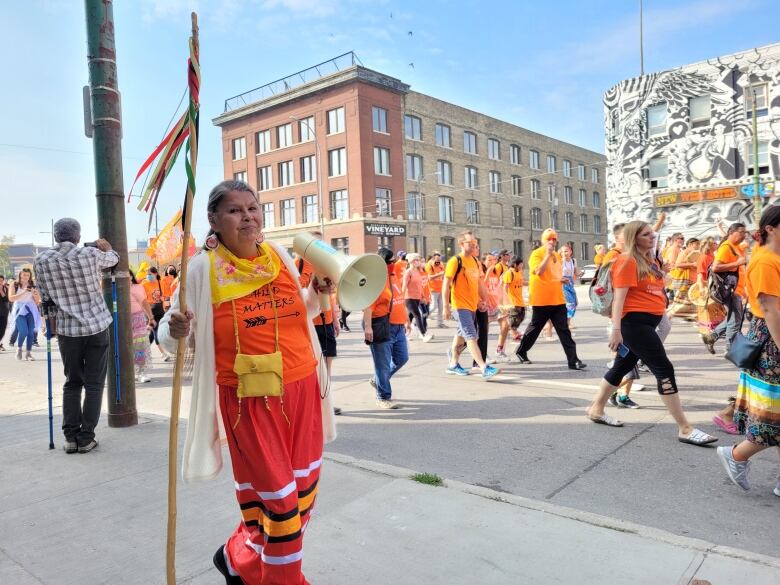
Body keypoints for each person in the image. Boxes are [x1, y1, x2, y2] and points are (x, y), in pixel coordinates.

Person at [157, 180, 335, 584]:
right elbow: (167, 340)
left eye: (253, 208)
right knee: (281, 509)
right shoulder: (201, 270)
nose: (248, 217)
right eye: (235, 210)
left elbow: (301, 312)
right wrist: (175, 328)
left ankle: (236, 558)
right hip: (249, 403)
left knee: (301, 501)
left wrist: (314, 290)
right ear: (214, 220)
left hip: (304, 390)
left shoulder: (277, 256)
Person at [585, 220, 718, 447]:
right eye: (646, 234)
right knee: (663, 368)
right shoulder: (626, 261)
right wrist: (616, 330)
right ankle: (685, 428)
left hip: (647, 322)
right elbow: (619, 299)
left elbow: (654, 287)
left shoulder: (648, 260)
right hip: (634, 325)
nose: (652, 236)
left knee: (621, 367)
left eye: (652, 233)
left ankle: (596, 409)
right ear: (634, 238)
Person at [33, 218, 119, 454]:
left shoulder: (41, 260)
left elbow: (46, 299)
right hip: (97, 327)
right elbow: (114, 259)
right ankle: (86, 437)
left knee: (72, 382)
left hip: (67, 331)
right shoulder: (90, 254)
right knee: (94, 384)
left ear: (55, 236)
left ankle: (70, 437)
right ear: (78, 237)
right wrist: (106, 247)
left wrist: (50, 326)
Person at [717, 205, 780, 496]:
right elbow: (770, 310)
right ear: (770, 228)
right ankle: (736, 455)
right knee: (771, 415)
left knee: (775, 413)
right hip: (772, 343)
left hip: (771, 339)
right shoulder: (765, 261)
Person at [515, 229, 586, 370]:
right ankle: (521, 351)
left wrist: (561, 280)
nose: (552, 241)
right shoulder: (537, 254)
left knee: (564, 330)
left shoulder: (557, 256)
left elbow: (554, 274)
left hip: (558, 298)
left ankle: (574, 360)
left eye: (554, 239)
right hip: (541, 299)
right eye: (549, 239)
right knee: (535, 329)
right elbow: (539, 272)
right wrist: (547, 255)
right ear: (543, 240)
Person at [442, 231, 499, 379]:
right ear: (461, 244)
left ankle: (453, 364)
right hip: (460, 306)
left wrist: (485, 300)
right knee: (471, 335)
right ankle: (483, 367)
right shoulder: (455, 261)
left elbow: (479, 283)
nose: (474, 244)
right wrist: (446, 307)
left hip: (472, 305)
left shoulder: (474, 261)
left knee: (461, 336)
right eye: (470, 243)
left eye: (475, 242)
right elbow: (446, 284)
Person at [364, 247, 409, 408]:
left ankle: (378, 380)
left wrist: (406, 320)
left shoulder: (393, 275)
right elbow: (368, 306)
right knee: (382, 364)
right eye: (390, 262)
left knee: (402, 358)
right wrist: (368, 327)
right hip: (382, 326)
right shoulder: (375, 281)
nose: (393, 264)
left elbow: (399, 299)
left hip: (398, 327)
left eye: (393, 262)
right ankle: (383, 397)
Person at [702, 223, 748, 353]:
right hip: (731, 290)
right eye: (741, 232)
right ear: (731, 233)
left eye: (745, 232)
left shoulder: (735, 246)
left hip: (736, 289)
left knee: (735, 319)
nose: (744, 235)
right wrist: (737, 263)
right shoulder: (726, 247)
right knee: (735, 321)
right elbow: (716, 267)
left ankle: (712, 337)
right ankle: (731, 350)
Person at [8, 268, 41, 361]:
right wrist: (24, 292)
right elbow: (11, 298)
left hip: (31, 310)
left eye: (28, 275)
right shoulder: (14, 284)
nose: (26, 277)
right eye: (24, 275)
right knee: (24, 331)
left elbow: (38, 301)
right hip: (19, 310)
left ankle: (28, 353)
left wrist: (34, 294)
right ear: (20, 275)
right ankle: (19, 348)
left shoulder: (33, 285)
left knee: (31, 332)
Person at [129, 270, 154, 383]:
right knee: (126, 349)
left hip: (137, 320)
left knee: (139, 347)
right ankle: (131, 372)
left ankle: (141, 372)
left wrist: (151, 318)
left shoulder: (137, 287)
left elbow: (144, 303)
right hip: (121, 322)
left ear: (131, 276)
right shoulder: (115, 288)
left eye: (128, 275)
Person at [402, 253, 433, 342]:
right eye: (416, 260)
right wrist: (401, 299)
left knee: (410, 316)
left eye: (418, 260)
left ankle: (405, 334)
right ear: (411, 261)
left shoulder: (417, 272)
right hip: (409, 297)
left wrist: (423, 296)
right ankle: (423, 334)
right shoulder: (408, 272)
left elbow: (420, 286)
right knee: (418, 315)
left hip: (417, 297)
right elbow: (404, 286)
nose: (418, 262)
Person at [143, 266, 172, 362]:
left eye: (150, 274)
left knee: (152, 334)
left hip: (160, 311)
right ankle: (163, 353)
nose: (148, 276)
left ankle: (143, 352)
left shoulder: (160, 283)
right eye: (147, 274)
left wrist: (163, 299)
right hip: (151, 313)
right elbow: (143, 300)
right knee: (156, 332)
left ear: (155, 274)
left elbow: (164, 295)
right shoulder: (144, 284)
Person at [668, 237, 701, 320]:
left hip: (692, 280)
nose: (698, 245)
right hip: (685, 281)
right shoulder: (684, 252)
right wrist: (692, 264)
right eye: (697, 244)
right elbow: (678, 265)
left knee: (691, 301)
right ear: (690, 244)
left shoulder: (696, 253)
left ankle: (692, 317)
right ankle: (668, 315)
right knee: (682, 303)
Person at [502, 256, 526, 343]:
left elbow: (522, 282)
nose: (522, 266)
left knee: (522, 317)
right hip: (513, 301)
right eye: (520, 264)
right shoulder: (509, 273)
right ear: (515, 264)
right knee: (514, 319)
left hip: (520, 300)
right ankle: (514, 335)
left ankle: (512, 331)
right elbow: (505, 287)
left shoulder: (519, 272)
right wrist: (506, 300)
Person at [560, 245, 581, 326]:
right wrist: (563, 261)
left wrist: (580, 273)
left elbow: (576, 272)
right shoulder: (560, 261)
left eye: (566, 251)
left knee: (575, 303)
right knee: (570, 303)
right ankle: (567, 323)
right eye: (562, 251)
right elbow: (557, 272)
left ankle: (568, 321)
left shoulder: (573, 260)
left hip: (571, 283)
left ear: (570, 251)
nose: (564, 253)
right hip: (563, 283)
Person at [425, 251, 446, 327]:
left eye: (439, 260)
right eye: (437, 261)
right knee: (434, 306)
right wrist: (439, 274)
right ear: (433, 258)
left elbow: (443, 275)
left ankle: (440, 323)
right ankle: (422, 317)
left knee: (441, 306)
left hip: (441, 288)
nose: (438, 262)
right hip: (432, 288)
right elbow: (429, 277)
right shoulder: (429, 265)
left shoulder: (441, 264)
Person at [0, 275, 10, 351]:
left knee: (2, 330)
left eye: (1, 281)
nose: (0, 282)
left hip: (4, 312)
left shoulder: (6, 288)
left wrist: (1, 291)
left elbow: (7, 299)